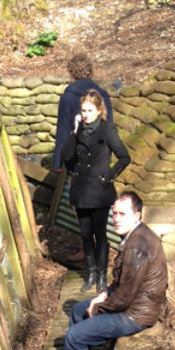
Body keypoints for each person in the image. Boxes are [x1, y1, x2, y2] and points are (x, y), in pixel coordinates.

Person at [44, 191, 168, 350]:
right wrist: (103, 294)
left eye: (122, 214)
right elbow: (122, 282)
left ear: (137, 215)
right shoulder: (134, 236)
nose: (116, 219)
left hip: (136, 314)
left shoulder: (137, 246)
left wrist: (99, 308)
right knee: (77, 311)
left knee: (75, 335)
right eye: (114, 213)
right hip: (131, 304)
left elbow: (125, 297)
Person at [59, 89, 130, 294]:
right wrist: (74, 130)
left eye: (90, 110)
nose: (87, 114)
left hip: (99, 192)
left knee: (101, 235)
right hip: (81, 191)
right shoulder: (79, 129)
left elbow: (124, 157)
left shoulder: (107, 130)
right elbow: (66, 155)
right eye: (84, 110)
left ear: (99, 110)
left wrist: (108, 175)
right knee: (85, 235)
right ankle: (90, 274)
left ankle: (101, 276)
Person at [52, 53, 115, 268]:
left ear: (71, 73)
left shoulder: (68, 97)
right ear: (90, 71)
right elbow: (109, 128)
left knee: (79, 207)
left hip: (78, 163)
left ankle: (86, 247)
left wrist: (58, 162)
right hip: (99, 159)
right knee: (98, 204)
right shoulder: (102, 95)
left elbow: (63, 132)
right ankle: (99, 248)